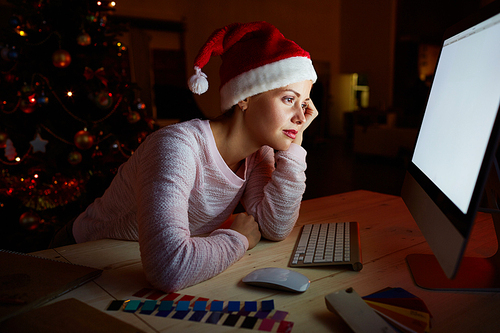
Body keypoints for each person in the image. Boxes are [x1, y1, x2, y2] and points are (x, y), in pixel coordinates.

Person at [55, 21, 318, 292]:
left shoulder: (259, 154)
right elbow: (168, 268)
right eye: (289, 99)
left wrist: (295, 147)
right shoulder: (176, 147)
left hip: (132, 262)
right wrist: (236, 238)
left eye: (305, 103)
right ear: (245, 97)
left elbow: (274, 227)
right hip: (77, 259)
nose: (301, 117)